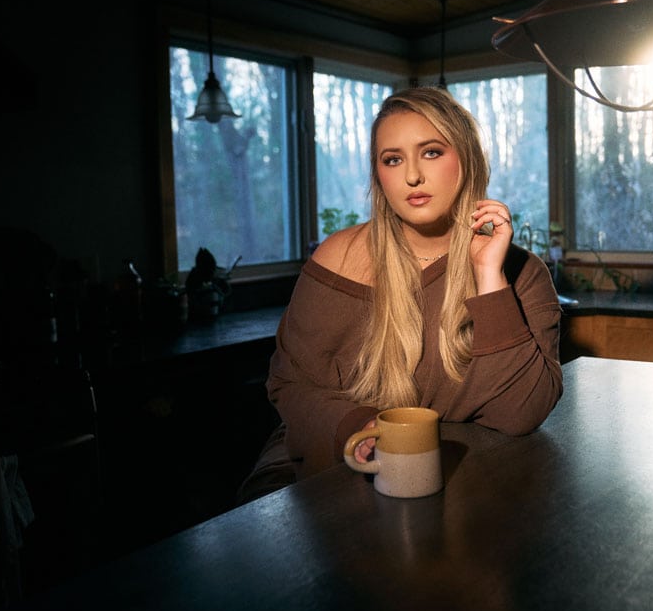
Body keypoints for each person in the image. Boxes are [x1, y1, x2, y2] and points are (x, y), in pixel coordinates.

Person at [237, 86, 563, 502]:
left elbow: (521, 411)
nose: (412, 176)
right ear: (379, 176)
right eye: (393, 159)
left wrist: (487, 275)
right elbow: (290, 384)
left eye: (431, 152)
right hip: (330, 457)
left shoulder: (520, 272)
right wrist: (360, 427)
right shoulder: (339, 256)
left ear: (467, 158)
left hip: (454, 473)